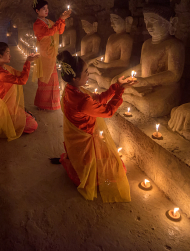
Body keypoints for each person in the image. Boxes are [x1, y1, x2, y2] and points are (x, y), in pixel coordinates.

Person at [56, 50, 136, 202]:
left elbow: (98, 99)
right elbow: (108, 111)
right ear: (75, 77)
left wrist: (116, 86)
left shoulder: (71, 90)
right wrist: (120, 91)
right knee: (118, 170)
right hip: (86, 140)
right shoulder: (82, 100)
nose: (88, 74)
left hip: (78, 138)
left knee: (112, 163)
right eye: (86, 72)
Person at [0, 38, 40, 141]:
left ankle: (20, 118)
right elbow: (22, 80)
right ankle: (9, 123)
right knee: (33, 125)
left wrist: (28, 61)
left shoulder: (5, 68)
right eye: (8, 53)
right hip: (5, 113)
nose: (10, 55)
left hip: (11, 107)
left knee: (29, 116)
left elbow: (20, 75)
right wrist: (28, 62)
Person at [32, 0, 72, 110]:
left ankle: (52, 103)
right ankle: (43, 103)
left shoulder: (48, 21)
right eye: (44, 9)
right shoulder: (37, 24)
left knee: (53, 78)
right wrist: (60, 19)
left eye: (47, 8)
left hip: (51, 54)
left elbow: (59, 30)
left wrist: (62, 20)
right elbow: (49, 32)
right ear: (37, 11)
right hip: (44, 54)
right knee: (45, 78)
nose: (46, 11)